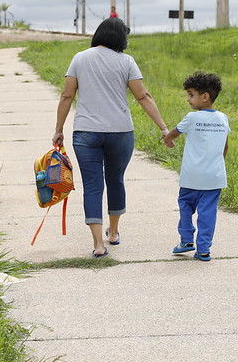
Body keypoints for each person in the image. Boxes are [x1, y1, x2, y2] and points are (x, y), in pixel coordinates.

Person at [53, 18, 169, 257]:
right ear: (120, 38)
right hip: (120, 132)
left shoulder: (79, 58)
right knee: (115, 180)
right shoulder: (127, 62)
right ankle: (113, 233)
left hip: (86, 132)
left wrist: (59, 129)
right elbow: (143, 96)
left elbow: (67, 96)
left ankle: (98, 244)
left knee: (93, 186)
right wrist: (163, 127)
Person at [163, 72, 230, 262]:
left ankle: (186, 240)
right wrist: (216, 163)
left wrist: (167, 140)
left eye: (191, 94)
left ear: (205, 96)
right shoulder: (223, 118)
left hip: (191, 177)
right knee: (207, 213)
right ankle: (204, 250)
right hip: (214, 177)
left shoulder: (191, 118)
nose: (188, 99)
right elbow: (225, 147)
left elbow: (174, 133)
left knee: (185, 206)